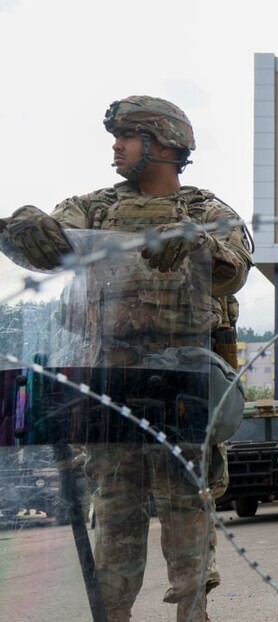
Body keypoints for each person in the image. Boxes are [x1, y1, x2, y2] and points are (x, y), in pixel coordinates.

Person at [0, 96, 253, 621]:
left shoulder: (207, 212)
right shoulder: (92, 208)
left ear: (163, 143)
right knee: (114, 520)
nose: (115, 146)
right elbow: (46, 242)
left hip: (179, 389)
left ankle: (193, 614)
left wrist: (195, 245)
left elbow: (234, 268)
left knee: (187, 518)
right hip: (108, 388)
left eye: (127, 136)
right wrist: (20, 228)